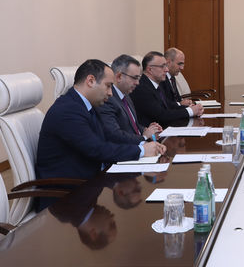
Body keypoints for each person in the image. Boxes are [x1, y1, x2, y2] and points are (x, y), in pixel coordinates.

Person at [36, 59, 166, 182]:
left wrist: (143, 144)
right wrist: (141, 151)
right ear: (91, 81)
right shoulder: (67, 110)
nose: (110, 93)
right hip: (70, 189)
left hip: (92, 179)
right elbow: (96, 149)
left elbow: (109, 136)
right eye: (108, 86)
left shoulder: (85, 105)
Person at [98, 54, 162, 144]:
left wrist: (147, 130)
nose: (138, 83)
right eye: (135, 78)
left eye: (139, 78)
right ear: (119, 76)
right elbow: (115, 134)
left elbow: (133, 125)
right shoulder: (107, 99)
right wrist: (144, 137)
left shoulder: (126, 94)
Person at [130, 51, 203, 127]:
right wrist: (190, 111)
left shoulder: (155, 84)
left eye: (166, 66)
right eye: (162, 66)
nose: (167, 70)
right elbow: (162, 115)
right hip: (152, 132)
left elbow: (168, 105)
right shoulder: (141, 88)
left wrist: (191, 108)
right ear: (150, 69)